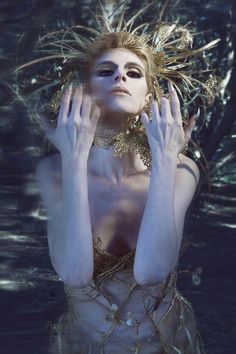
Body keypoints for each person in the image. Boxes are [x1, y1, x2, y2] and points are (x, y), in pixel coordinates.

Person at [29, 5, 220, 353]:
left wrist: (163, 158)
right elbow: (73, 273)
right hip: (86, 345)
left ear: (150, 94)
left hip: (171, 343)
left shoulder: (180, 169)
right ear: (84, 89)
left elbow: (152, 272)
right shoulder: (53, 170)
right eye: (107, 71)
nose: (121, 77)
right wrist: (73, 157)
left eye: (134, 72)